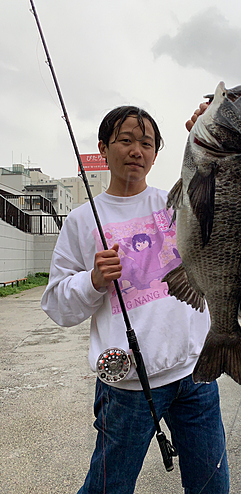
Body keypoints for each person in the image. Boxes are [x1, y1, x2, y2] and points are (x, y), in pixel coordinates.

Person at [41, 103, 230, 494]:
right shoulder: (81, 221)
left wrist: (214, 138)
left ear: (157, 154)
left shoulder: (177, 203)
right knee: (108, 487)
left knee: (212, 487)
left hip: (196, 374)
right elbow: (57, 304)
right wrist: (93, 280)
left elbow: (225, 205)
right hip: (127, 387)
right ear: (103, 148)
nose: (136, 150)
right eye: (125, 140)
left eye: (146, 143)